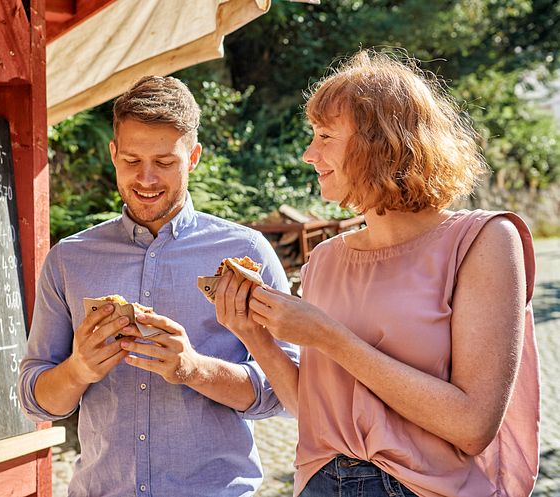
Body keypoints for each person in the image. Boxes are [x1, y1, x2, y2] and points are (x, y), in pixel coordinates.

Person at [215, 49, 540, 497]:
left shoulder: (483, 240)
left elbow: (472, 426)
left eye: (326, 135)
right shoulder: (324, 261)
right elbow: (314, 414)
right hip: (322, 484)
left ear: (381, 143)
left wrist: (329, 336)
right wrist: (252, 335)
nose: (310, 153)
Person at [18, 75, 299, 497]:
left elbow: (286, 393)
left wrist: (194, 369)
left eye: (165, 162)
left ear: (194, 157)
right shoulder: (69, 260)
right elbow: (35, 399)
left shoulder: (247, 252)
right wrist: (79, 369)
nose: (146, 178)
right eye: (131, 160)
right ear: (113, 154)